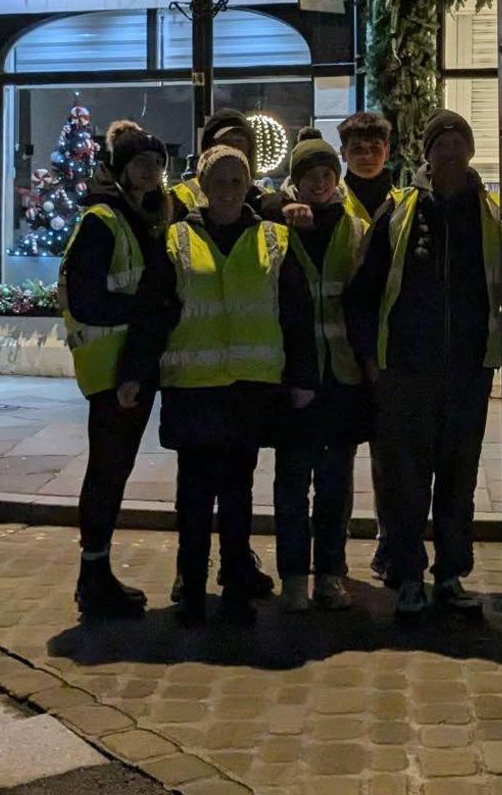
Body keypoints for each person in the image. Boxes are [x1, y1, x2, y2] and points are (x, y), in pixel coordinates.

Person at [122, 145, 316, 625]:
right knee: (193, 492)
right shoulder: (176, 240)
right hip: (195, 388)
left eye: (237, 180)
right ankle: (190, 581)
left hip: (251, 389)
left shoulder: (274, 239)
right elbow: (153, 313)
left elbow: (297, 314)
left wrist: (304, 377)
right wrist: (134, 372)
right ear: (203, 186)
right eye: (220, 180)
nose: (228, 189)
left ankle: (235, 583)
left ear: (248, 186)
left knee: (238, 491)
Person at [345, 109, 502, 619]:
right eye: (441, 143)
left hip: (468, 372)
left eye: (459, 142)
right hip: (407, 373)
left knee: (459, 478)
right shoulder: (399, 212)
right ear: (427, 154)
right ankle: (408, 574)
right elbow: (362, 293)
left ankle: (451, 574)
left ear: (470, 150)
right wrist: (372, 360)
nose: (451, 151)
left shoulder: (492, 213)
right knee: (406, 480)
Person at [58, 121, 174, 619]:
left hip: (132, 364)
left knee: (114, 469)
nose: (151, 171)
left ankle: (96, 573)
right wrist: (145, 313)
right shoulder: (104, 220)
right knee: (107, 470)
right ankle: (93, 573)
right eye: (142, 162)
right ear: (121, 168)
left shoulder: (142, 216)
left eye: (158, 163)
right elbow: (85, 298)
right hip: (113, 370)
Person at [269, 137, 372, 612]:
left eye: (328, 173)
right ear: (297, 179)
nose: (321, 181)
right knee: (292, 482)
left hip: (342, 376)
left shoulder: (356, 227)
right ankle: (293, 577)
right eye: (311, 173)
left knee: (335, 484)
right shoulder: (277, 226)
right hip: (295, 375)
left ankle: (330, 574)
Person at [338, 110, 395, 224]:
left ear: (387, 152)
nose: (367, 155)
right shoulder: (333, 200)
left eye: (375, 147)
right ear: (343, 153)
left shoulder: (403, 202)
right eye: (357, 148)